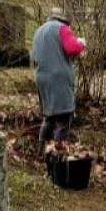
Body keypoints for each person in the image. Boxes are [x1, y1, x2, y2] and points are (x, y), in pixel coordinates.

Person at [30, 9, 86, 152]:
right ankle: (58, 152)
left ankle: (41, 150)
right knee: (63, 117)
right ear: (64, 20)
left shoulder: (38, 32)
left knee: (48, 116)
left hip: (41, 77)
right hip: (58, 78)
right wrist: (81, 43)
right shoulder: (61, 28)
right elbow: (72, 48)